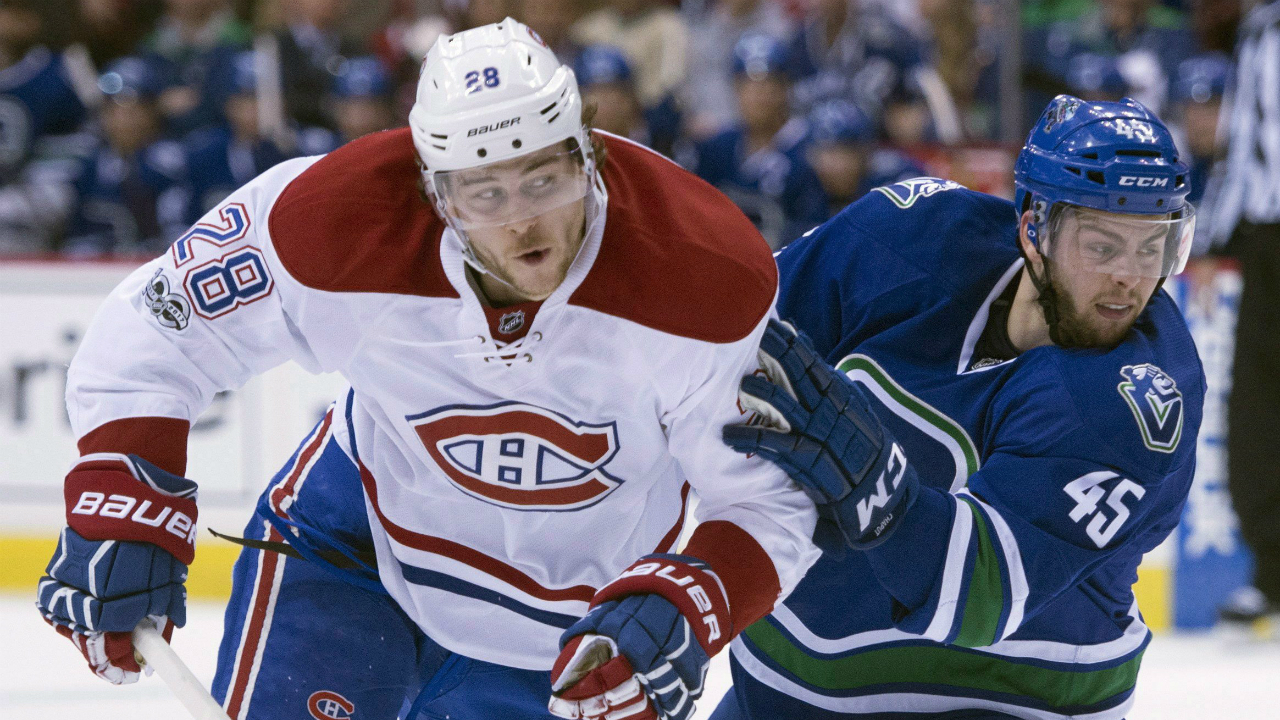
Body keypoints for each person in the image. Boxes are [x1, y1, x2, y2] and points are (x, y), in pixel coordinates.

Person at [35, 18, 820, 720]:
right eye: (484, 193)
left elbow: (768, 498)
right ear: (434, 194)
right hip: (353, 546)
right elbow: (159, 327)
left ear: (590, 155)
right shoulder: (333, 217)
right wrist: (122, 491)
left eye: (543, 178)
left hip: (574, 631)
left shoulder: (702, 276)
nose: (521, 223)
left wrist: (687, 606)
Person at [715, 94, 1204, 719]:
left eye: (1153, 247)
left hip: (1023, 698)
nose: (1131, 279)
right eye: (1103, 246)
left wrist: (868, 475)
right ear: (1034, 229)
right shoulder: (904, 237)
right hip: (792, 682)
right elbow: (722, 351)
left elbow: (976, 599)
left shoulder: (1141, 395)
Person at [1203, 0, 1280, 636]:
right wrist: (1207, 242)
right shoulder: (1259, 28)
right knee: (1257, 405)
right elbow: (1242, 139)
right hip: (1265, 233)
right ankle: (1272, 572)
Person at [687, 33, 827, 249]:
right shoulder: (718, 148)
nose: (758, 94)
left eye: (768, 83)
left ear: (785, 88)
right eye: (748, 84)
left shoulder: (811, 149)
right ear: (735, 89)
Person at [63, 55, 190, 256]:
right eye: (114, 108)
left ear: (153, 111)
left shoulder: (173, 164)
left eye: (135, 109)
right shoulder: (88, 164)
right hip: (95, 269)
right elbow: (75, 234)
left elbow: (179, 233)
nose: (123, 119)